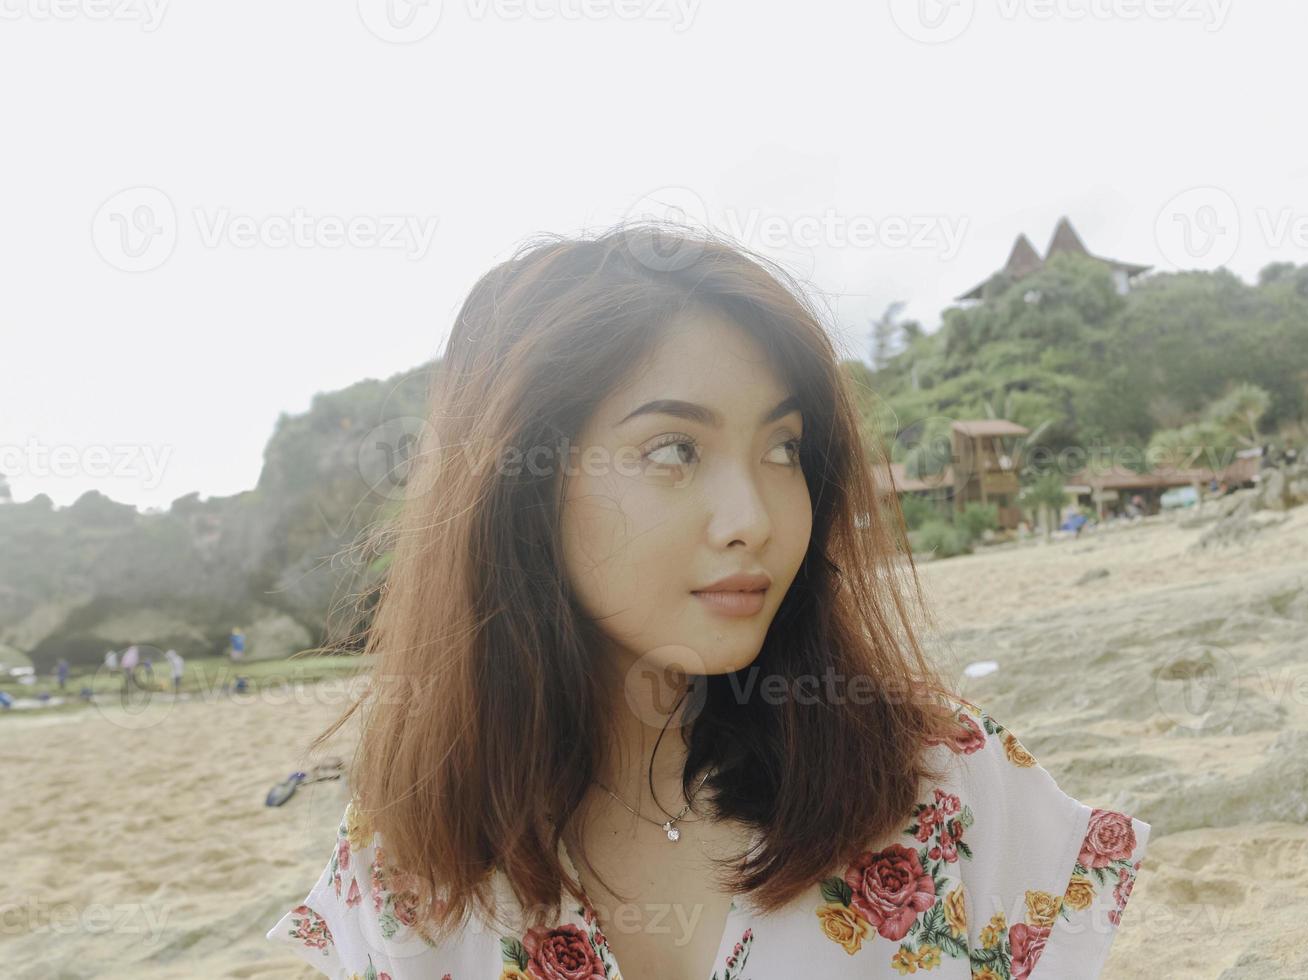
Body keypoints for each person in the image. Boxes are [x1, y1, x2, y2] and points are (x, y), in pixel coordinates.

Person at [264, 225, 1150, 979]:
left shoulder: (943, 779)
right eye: (673, 450)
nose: (753, 519)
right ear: (524, 486)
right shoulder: (410, 856)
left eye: (783, 447)